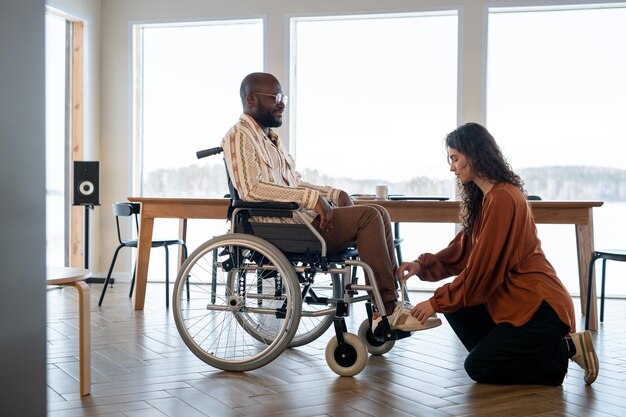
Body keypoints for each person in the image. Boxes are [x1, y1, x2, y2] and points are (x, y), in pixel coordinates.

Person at [221, 72, 441, 333]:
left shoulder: (271, 141)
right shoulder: (240, 136)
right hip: (278, 227)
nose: (282, 103)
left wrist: (332, 194)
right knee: (369, 216)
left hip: (299, 222)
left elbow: (293, 184)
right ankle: (388, 310)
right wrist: (311, 199)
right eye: (276, 97)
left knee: (379, 212)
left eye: (284, 97)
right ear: (251, 99)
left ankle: (390, 307)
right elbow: (251, 190)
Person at [397, 122, 599, 386]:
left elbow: (483, 269)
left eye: (455, 159)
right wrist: (420, 265)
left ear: (474, 155)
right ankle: (511, 353)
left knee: (477, 367)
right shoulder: (487, 198)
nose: (451, 167)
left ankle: (565, 351)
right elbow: (462, 250)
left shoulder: (503, 198)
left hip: (540, 307)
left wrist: (435, 302)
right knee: (457, 309)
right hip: (515, 302)